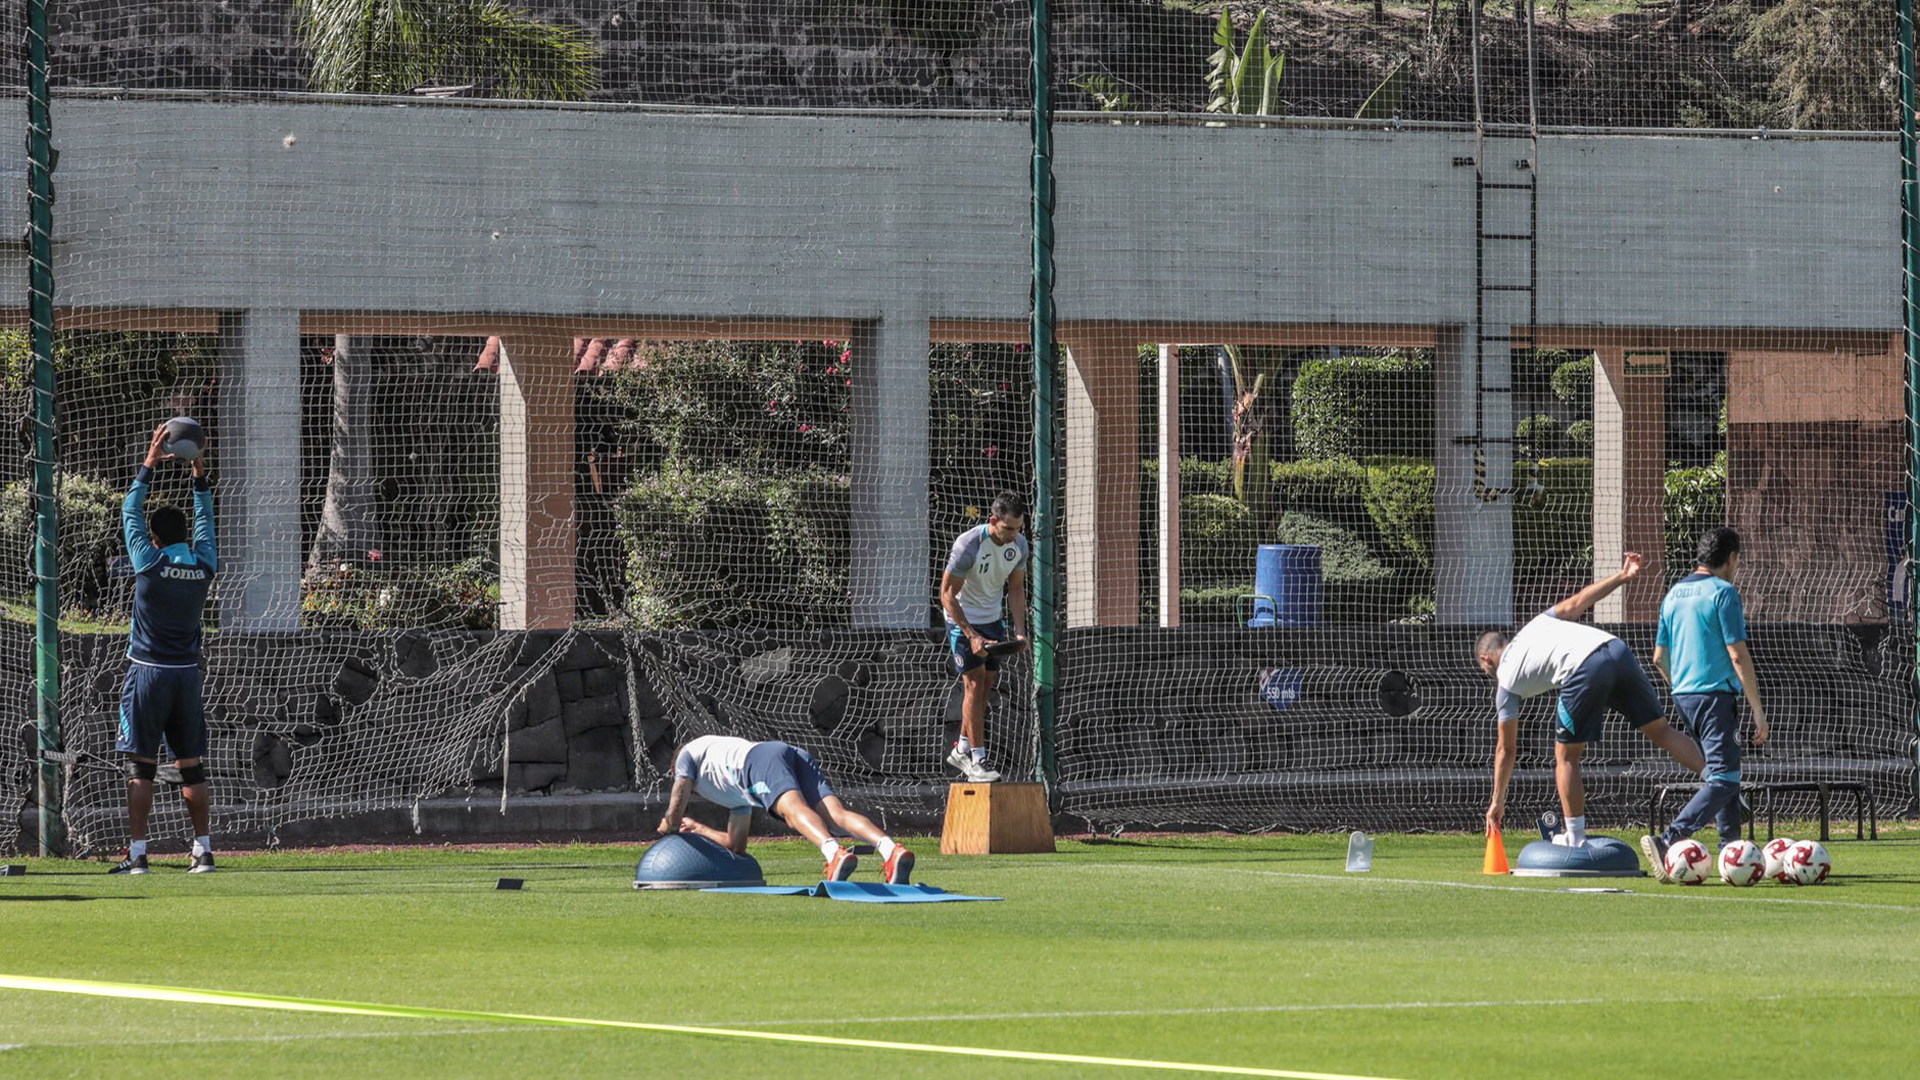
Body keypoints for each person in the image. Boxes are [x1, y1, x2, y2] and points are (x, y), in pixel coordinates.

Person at [1476, 553, 1705, 848]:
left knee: (1566, 756)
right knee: (1661, 731)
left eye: (1485, 669)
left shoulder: (1505, 679)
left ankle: (1574, 837)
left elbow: (1505, 750)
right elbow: (1580, 601)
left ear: (1487, 659)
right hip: (1616, 648)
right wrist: (1622, 577)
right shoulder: (1537, 624)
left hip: (1583, 668)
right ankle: (1720, 783)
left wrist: (1497, 801)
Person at [111, 422, 218, 874]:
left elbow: (129, 509)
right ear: (185, 537)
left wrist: (150, 461)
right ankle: (203, 850)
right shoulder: (203, 562)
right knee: (191, 766)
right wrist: (199, 474)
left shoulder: (149, 562)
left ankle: (138, 856)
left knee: (141, 766)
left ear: (154, 540)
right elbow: (207, 520)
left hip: (147, 673)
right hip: (187, 677)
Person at [1641, 527, 1769, 881]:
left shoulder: (1674, 594)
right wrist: (1757, 709)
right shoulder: (1724, 593)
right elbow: (1737, 653)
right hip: (1715, 695)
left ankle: (1732, 851)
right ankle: (1671, 838)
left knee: (1720, 772)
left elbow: (1658, 657)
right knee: (1726, 778)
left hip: (1684, 695)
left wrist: (1681, 685)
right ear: (1730, 559)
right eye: (1738, 561)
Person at [659, 734, 915, 885]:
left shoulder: (686, 756)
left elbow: (680, 788)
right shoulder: (731, 795)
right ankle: (891, 850)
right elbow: (736, 845)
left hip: (758, 760)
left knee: (793, 812)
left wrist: (670, 823)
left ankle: (833, 853)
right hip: (786, 753)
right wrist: (698, 828)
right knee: (835, 816)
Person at [939, 492, 1030, 783]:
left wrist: (1019, 631)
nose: (1015, 535)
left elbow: (1015, 589)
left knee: (987, 686)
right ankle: (978, 760)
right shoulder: (969, 545)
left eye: (1019, 528)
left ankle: (961, 748)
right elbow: (946, 595)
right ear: (993, 521)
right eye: (1009, 529)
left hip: (992, 620)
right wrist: (971, 635)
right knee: (975, 684)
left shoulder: (1019, 546)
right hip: (961, 618)